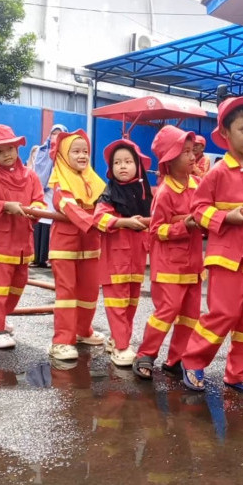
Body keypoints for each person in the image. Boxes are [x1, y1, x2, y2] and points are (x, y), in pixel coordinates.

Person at [181, 96, 243, 393]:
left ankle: (238, 372)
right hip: (225, 257)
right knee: (223, 313)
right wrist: (227, 217)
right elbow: (198, 211)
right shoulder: (216, 173)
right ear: (225, 132)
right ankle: (193, 360)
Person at [132, 125, 203, 379]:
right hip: (169, 267)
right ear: (169, 160)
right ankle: (146, 354)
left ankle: (176, 359)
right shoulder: (164, 192)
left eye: (191, 151)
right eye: (185, 152)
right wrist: (184, 225)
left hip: (193, 266)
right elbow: (156, 230)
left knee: (190, 316)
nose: (192, 156)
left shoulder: (198, 185)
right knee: (166, 313)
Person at [0, 124, 46, 349]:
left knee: (17, 285)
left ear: (17, 148)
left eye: (10, 149)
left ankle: (0, 318)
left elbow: (40, 201)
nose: (6, 154)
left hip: (22, 242)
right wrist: (5, 206)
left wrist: (34, 208)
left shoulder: (30, 175)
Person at [48, 129, 106, 360]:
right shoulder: (61, 183)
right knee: (67, 293)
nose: (82, 156)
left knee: (90, 290)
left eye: (85, 152)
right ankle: (62, 340)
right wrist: (95, 223)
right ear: (63, 155)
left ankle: (83, 331)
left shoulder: (94, 181)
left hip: (90, 245)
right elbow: (68, 205)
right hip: (65, 245)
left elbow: (105, 205)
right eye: (75, 152)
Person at [94, 139, 151, 367]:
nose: (122, 166)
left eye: (128, 161)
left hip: (136, 259)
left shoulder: (144, 193)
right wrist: (123, 222)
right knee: (117, 304)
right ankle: (121, 346)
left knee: (131, 303)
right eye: (117, 162)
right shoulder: (109, 193)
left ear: (138, 165)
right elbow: (98, 218)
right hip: (115, 259)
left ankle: (117, 339)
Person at [32, 124, 67, 268]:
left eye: (59, 134)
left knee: (51, 220)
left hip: (56, 190)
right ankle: (37, 258)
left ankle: (47, 257)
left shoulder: (66, 151)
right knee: (39, 218)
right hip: (41, 190)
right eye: (53, 133)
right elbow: (35, 169)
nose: (55, 137)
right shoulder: (41, 150)